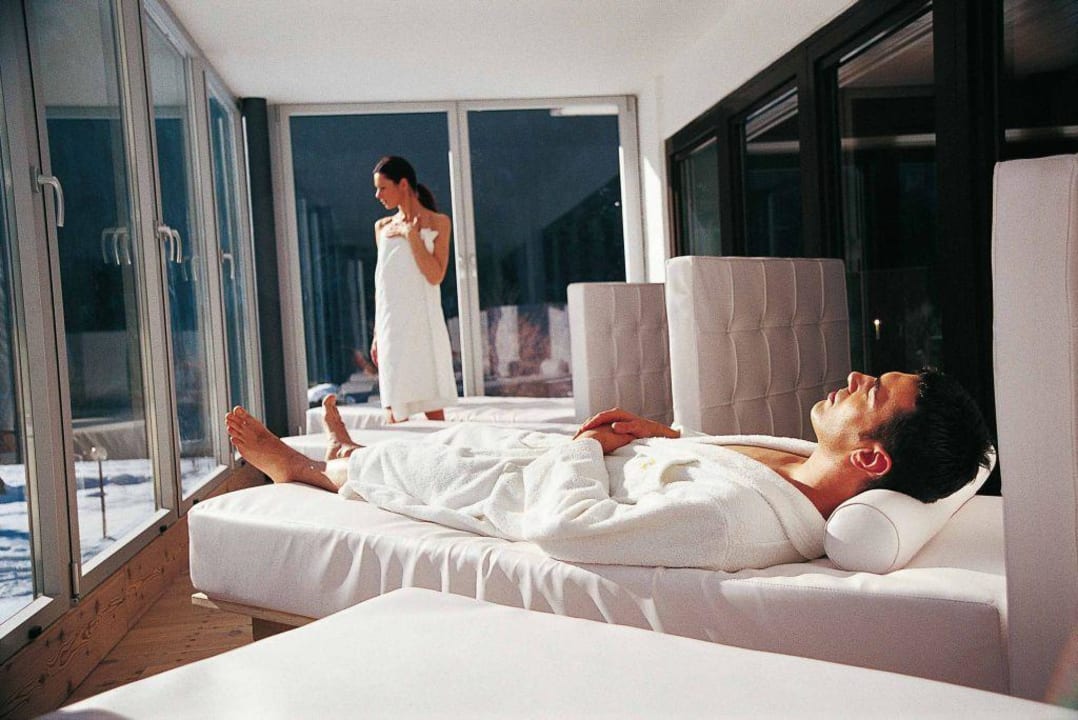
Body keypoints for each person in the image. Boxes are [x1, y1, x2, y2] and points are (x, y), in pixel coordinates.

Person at [226, 368, 991, 571]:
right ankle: (346, 454)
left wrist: (587, 450)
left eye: (874, 392)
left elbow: (567, 528)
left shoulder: (737, 525)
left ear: (871, 458)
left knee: (435, 466)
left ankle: (313, 468)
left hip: (536, 485)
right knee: (456, 437)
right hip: (597, 455)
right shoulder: (797, 464)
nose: (856, 377)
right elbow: (712, 460)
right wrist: (668, 436)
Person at [370, 155, 457, 423]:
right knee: (394, 411)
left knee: (433, 408)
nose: (377, 195)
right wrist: (376, 334)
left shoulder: (439, 222)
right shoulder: (382, 228)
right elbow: (382, 286)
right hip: (392, 330)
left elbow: (435, 275)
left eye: (383, 188)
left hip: (423, 328)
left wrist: (411, 236)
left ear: (403, 184)